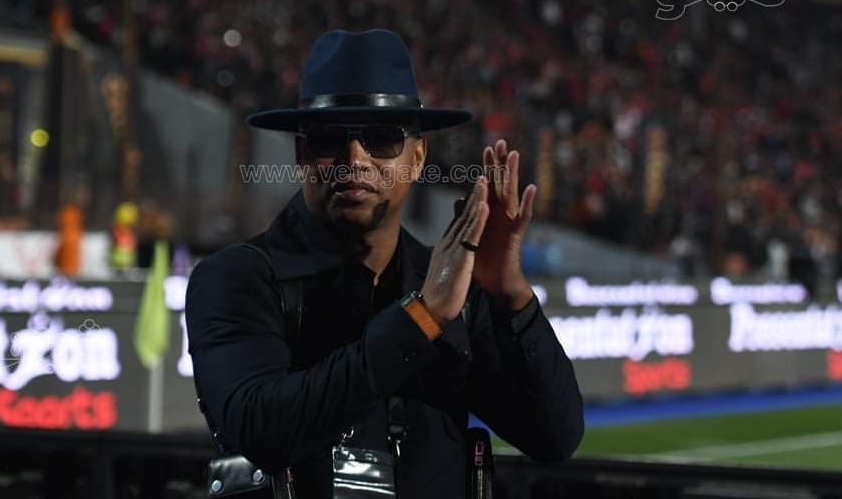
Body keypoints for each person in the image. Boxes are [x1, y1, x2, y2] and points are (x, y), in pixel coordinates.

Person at [186, 29, 584, 498]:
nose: (355, 159)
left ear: (418, 157)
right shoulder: (237, 278)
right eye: (329, 139)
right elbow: (261, 431)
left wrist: (509, 292)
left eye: (381, 138)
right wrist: (421, 319)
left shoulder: (454, 288)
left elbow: (554, 437)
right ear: (300, 155)